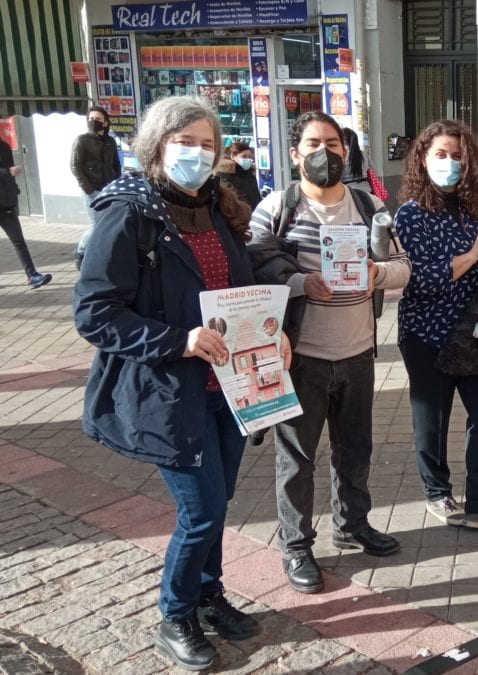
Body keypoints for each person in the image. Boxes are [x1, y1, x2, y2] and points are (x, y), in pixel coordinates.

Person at [73, 96, 278, 671]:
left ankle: (208, 597)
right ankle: (175, 614)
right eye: (185, 142)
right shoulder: (129, 214)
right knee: (204, 510)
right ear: (156, 147)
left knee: (220, 501)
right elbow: (95, 313)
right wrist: (177, 341)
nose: (198, 153)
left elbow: (242, 292)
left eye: (208, 143)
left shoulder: (220, 208)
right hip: (170, 392)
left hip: (232, 389)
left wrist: (274, 332)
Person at [248, 111, 412, 594]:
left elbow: (403, 266)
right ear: (295, 153)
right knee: (297, 457)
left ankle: (352, 524)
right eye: (315, 143)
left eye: (335, 143)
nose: (326, 153)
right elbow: (255, 269)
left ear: (347, 149)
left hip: (359, 351)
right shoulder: (276, 208)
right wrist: (302, 283)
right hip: (302, 357)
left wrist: (378, 274)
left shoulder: (369, 204)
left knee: (355, 448)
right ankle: (296, 546)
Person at [395, 119, 478, 532]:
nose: (450, 163)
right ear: (423, 158)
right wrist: (471, 254)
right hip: (427, 334)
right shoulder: (410, 216)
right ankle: (437, 492)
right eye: (441, 154)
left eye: (457, 156)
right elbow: (419, 279)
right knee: (432, 420)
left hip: (476, 335)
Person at [71, 105, 121, 269]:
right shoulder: (82, 140)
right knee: (96, 225)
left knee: (109, 222)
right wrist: (88, 189)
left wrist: (117, 184)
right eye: (91, 119)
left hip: (110, 188)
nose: (94, 122)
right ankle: (81, 251)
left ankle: (104, 253)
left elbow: (116, 164)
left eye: (98, 119)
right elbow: (75, 166)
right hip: (93, 189)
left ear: (106, 123)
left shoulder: (110, 141)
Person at [0, 138, 51, 290]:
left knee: (19, 241)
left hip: (7, 202)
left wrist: (14, 191)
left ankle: (32, 275)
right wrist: (7, 172)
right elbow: (8, 171)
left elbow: (10, 173)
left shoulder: (4, 146)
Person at [215, 140, 261, 209]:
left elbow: (256, 197)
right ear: (232, 156)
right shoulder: (224, 176)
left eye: (250, 157)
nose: (248, 159)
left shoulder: (250, 174)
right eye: (244, 156)